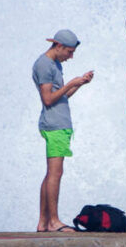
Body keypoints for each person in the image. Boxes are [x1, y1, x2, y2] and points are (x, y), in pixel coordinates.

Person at [33, 29, 93, 231]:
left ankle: (43, 222)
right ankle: (53, 221)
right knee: (55, 174)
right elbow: (48, 99)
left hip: (60, 123)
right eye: (69, 52)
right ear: (58, 46)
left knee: (51, 173)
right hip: (54, 125)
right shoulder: (44, 64)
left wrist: (79, 84)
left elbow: (62, 96)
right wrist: (70, 83)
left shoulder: (55, 64)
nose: (71, 56)